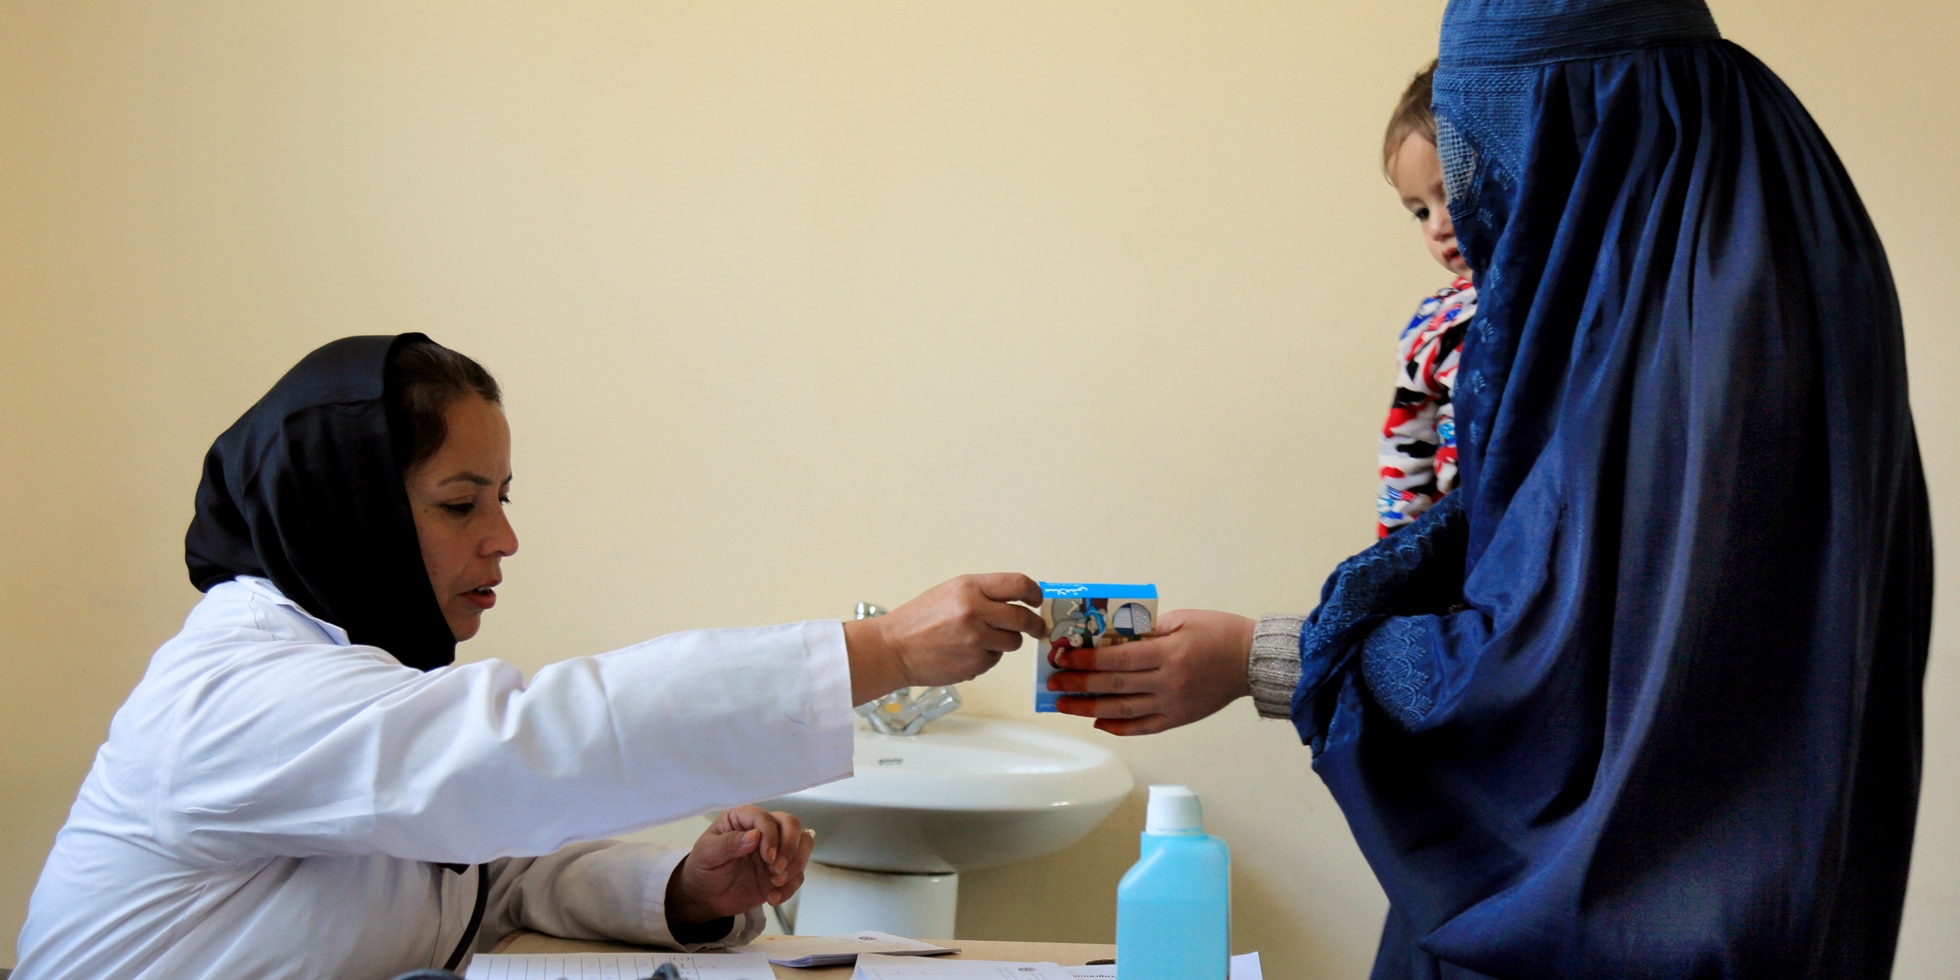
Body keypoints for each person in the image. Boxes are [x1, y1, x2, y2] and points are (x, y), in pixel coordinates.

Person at [1049, 1, 1932, 976]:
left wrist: (1267, 658)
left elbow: (1545, 668)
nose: (1467, 208)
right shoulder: (1749, 241)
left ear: (1569, 136)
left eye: (1484, 158)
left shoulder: (1686, 341)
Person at [13, 334, 1045, 979]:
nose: (502, 539)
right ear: (348, 514)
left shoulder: (363, 677)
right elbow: (520, 749)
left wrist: (687, 886)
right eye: (462, 502)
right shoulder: (234, 693)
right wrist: (884, 648)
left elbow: (482, 873)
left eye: (504, 499)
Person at [1377, 61, 1477, 538]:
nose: (1437, 225)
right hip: (1458, 541)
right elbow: (1404, 445)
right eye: (1419, 211)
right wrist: (1396, 555)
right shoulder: (1436, 325)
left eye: (1452, 195)